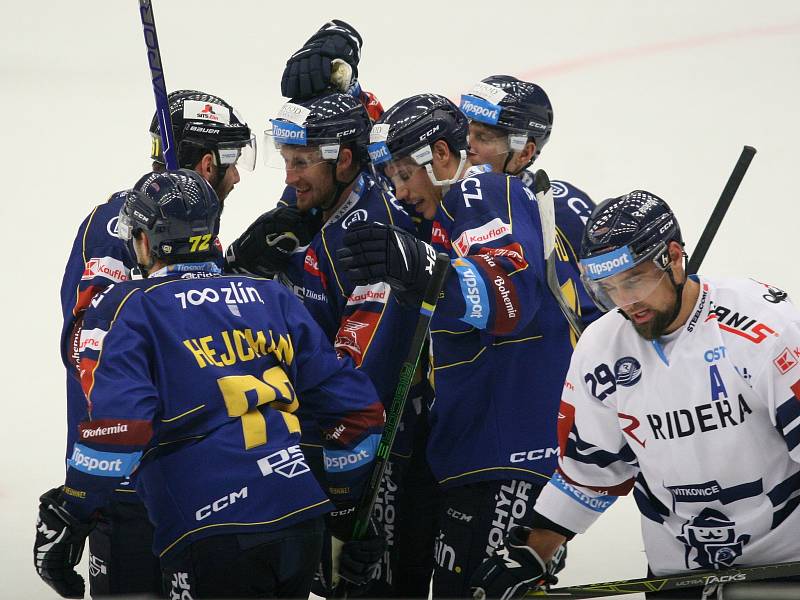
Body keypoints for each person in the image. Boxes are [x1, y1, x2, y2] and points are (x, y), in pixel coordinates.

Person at [35, 170, 385, 599]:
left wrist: (72, 506)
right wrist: (345, 506)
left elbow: (123, 430)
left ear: (145, 240)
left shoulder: (128, 306)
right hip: (299, 520)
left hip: (212, 532)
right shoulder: (271, 296)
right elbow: (358, 412)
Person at [470, 190, 800, 599]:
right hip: (678, 577)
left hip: (782, 572)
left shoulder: (765, 328)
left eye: (635, 280)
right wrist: (532, 553)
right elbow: (592, 471)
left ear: (675, 257)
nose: (626, 302)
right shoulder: (601, 348)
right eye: (609, 287)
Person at [337, 93, 584, 597]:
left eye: (405, 175)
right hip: (480, 445)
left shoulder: (479, 190)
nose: (399, 192)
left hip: (509, 444)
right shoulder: (447, 216)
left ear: (443, 158)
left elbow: (510, 298)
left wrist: (422, 268)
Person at [227, 90, 430, 596]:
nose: (289, 177)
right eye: (285, 162)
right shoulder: (317, 206)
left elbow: (355, 378)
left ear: (343, 160)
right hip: (326, 440)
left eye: (300, 163)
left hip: (376, 453)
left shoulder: (369, 231)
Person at [55, 89, 255, 596]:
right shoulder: (119, 226)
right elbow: (87, 350)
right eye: (231, 161)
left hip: (194, 487)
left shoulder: (191, 227)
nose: (236, 176)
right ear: (208, 161)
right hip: (128, 487)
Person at [460, 74, 600, 338]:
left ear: (524, 153)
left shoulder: (562, 207)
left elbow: (613, 297)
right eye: (466, 131)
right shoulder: (444, 201)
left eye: (483, 136)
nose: (467, 146)